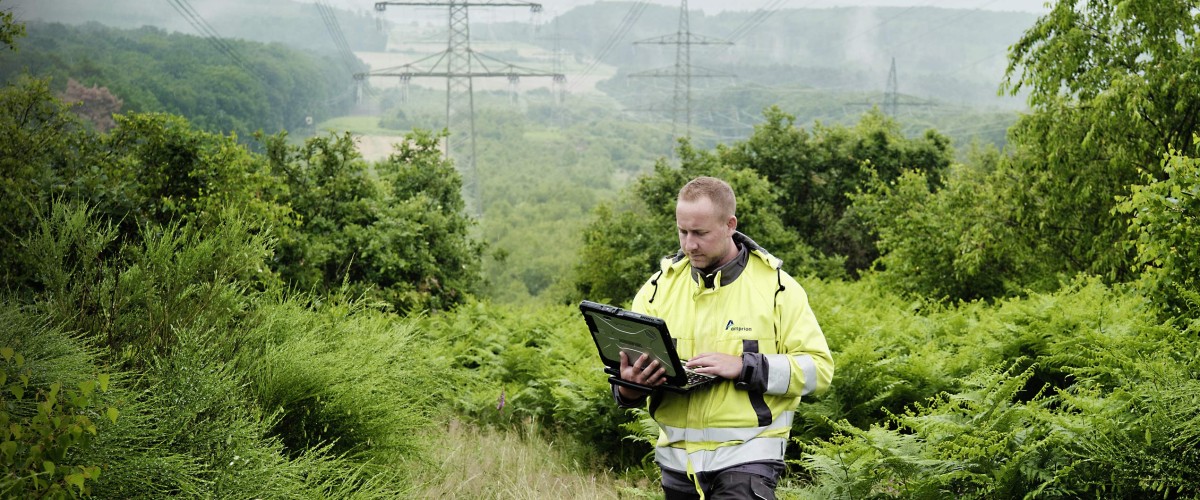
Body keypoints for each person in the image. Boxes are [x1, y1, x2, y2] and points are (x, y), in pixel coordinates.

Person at [612, 176, 834, 500]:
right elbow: (629, 382)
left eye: (700, 233)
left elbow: (819, 370)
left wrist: (745, 366)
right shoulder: (656, 290)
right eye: (683, 231)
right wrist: (630, 387)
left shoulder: (778, 289)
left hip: (750, 457)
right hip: (677, 465)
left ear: (730, 225)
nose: (689, 245)